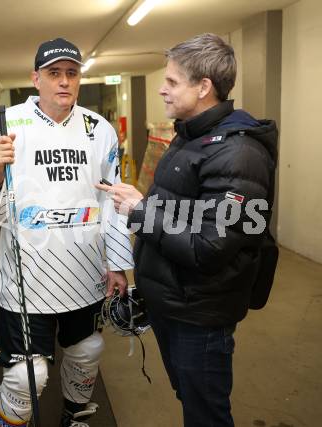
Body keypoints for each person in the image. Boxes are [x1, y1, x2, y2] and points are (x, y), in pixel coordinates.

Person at [96, 33, 278, 427]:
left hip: (200, 313)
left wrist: (142, 210)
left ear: (204, 87)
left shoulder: (239, 154)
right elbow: (183, 211)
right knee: (191, 398)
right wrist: (141, 201)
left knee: (206, 414)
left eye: (172, 81)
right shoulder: (190, 136)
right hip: (173, 303)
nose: (161, 90)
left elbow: (212, 244)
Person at [0, 37, 133, 427]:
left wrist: (118, 264)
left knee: (88, 350)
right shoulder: (2, 127)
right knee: (27, 377)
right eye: (54, 73)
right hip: (26, 279)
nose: (64, 82)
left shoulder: (100, 130)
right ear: (35, 78)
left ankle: (75, 416)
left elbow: (115, 202)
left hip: (85, 274)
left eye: (71, 74)